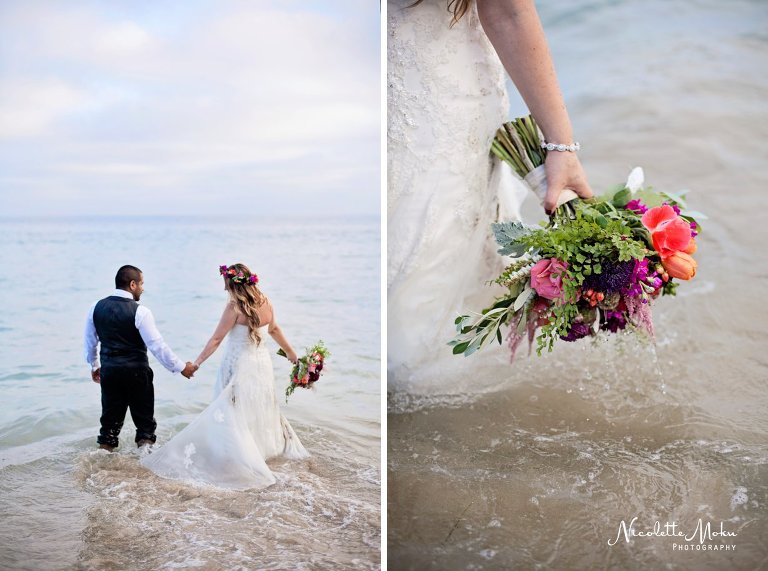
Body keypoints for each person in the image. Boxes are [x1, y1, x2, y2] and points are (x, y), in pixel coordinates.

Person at [387, 0, 593, 394]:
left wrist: (562, 148)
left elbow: (506, 10)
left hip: (445, 109)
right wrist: (561, 145)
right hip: (428, 113)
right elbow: (507, 10)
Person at [141, 263, 309, 490]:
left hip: (238, 365)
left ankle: (237, 457)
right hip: (261, 365)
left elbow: (216, 339)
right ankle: (260, 452)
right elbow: (274, 330)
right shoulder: (267, 302)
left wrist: (196, 363)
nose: (224, 289)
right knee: (259, 406)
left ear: (233, 284)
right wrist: (292, 354)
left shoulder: (234, 307)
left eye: (225, 284)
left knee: (232, 409)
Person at [84, 265, 197, 452]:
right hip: (136, 373)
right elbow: (157, 345)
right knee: (145, 428)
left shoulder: (95, 308)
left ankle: (102, 463)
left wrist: (95, 365)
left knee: (109, 428)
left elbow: (90, 342)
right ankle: (145, 463)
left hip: (110, 372)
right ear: (132, 284)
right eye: (141, 284)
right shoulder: (141, 312)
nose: (143, 289)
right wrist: (181, 367)